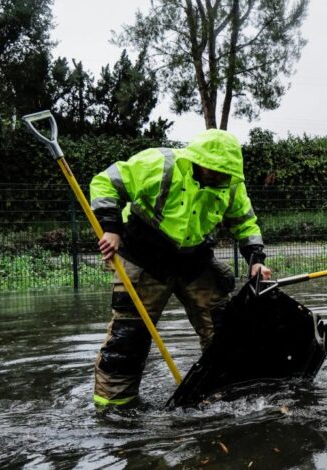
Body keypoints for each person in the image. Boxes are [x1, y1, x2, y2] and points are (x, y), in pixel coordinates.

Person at [89, 128, 270, 407]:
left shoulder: (231, 183)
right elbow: (104, 183)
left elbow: (244, 222)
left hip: (194, 261)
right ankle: (114, 407)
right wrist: (110, 229)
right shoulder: (160, 164)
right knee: (129, 337)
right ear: (198, 161)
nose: (219, 178)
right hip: (144, 256)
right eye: (214, 171)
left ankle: (222, 393)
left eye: (225, 173)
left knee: (223, 330)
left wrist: (256, 259)